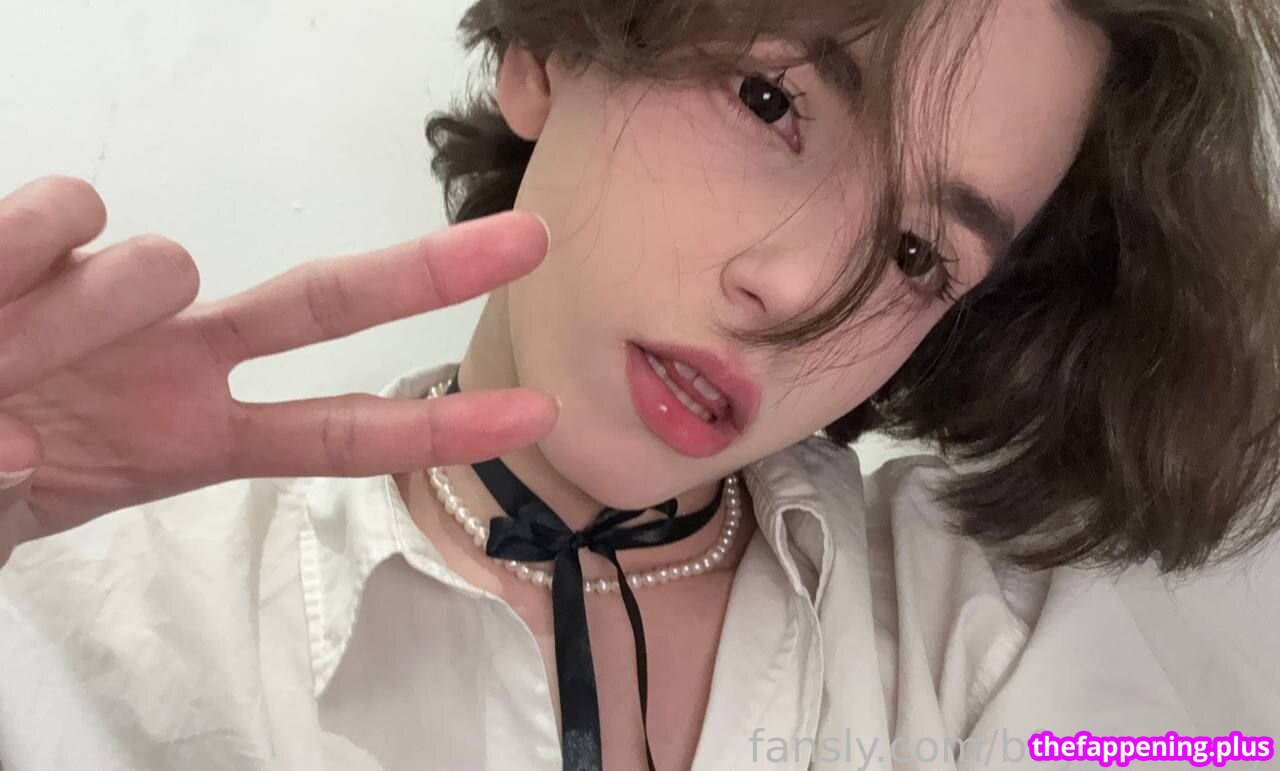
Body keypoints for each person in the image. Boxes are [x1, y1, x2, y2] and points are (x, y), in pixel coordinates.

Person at [1, 0, 1278, 769]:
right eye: (768, 101)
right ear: (551, 49)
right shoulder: (105, 597)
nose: (794, 288)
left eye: (912, 256)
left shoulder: (977, 641)